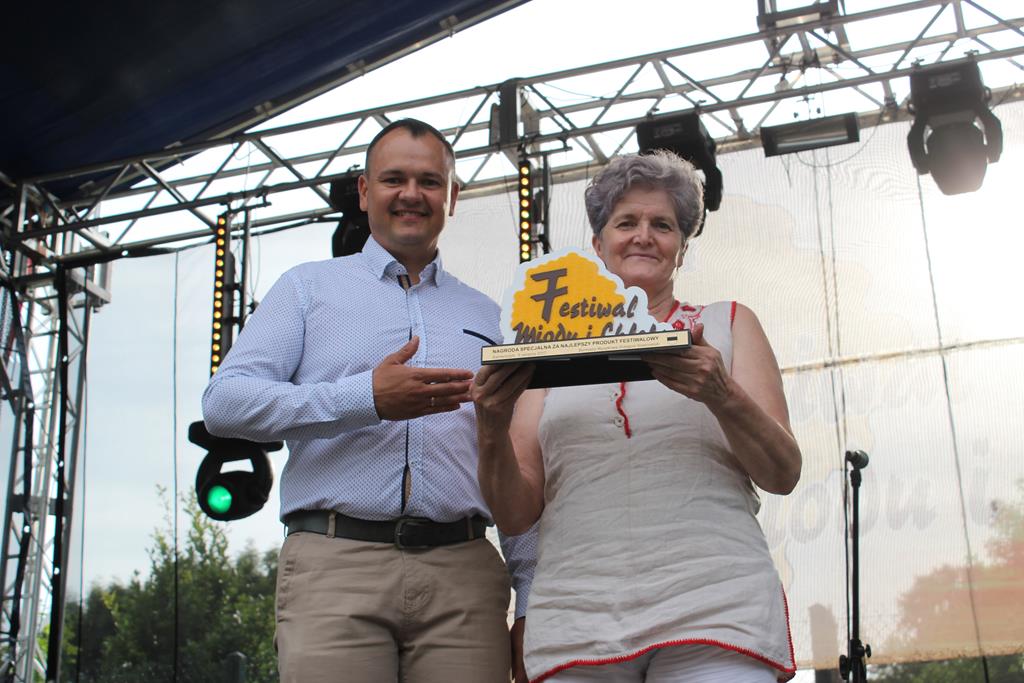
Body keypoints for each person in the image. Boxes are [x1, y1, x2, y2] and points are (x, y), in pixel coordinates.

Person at [202, 118, 535, 683]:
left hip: (464, 571)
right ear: (364, 191)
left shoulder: (490, 315)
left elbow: (518, 462)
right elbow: (225, 404)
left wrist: (528, 596)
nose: (411, 194)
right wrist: (366, 398)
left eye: (430, 181)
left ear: (453, 197)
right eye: (394, 179)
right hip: (336, 564)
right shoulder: (307, 288)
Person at [473, 150, 802, 683]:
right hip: (576, 618)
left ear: (682, 247)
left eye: (662, 225)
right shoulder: (546, 347)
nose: (644, 236)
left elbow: (783, 472)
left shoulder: (726, 323)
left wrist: (721, 394)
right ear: (598, 244)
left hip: (716, 607)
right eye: (626, 223)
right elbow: (514, 515)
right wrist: (490, 429)